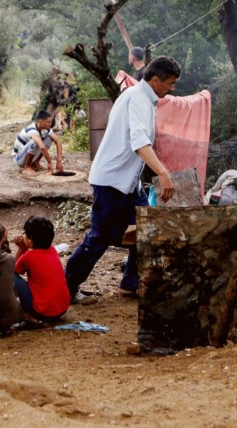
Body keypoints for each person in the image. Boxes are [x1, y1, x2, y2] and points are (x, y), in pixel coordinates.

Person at [65, 56, 179, 300]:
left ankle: (131, 283)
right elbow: (140, 144)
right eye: (170, 83)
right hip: (111, 180)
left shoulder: (145, 99)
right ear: (155, 80)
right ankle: (66, 286)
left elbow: (141, 145)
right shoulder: (137, 99)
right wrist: (163, 173)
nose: (172, 88)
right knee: (100, 237)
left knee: (147, 229)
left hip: (128, 183)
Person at [13, 216, 70, 329]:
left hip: (43, 312)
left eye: (25, 234)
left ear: (30, 239)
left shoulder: (29, 256)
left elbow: (14, 270)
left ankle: (29, 317)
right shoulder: (53, 250)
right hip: (62, 309)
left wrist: (21, 248)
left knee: (10, 276)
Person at [13, 111, 64, 176]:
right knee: (35, 142)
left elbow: (58, 141)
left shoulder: (46, 129)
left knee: (50, 139)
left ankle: (35, 164)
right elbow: (42, 147)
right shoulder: (31, 129)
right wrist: (49, 163)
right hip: (19, 159)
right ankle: (27, 167)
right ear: (40, 121)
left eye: (50, 122)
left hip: (27, 155)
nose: (50, 124)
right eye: (48, 122)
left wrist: (59, 161)